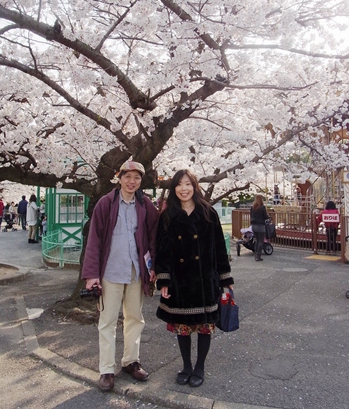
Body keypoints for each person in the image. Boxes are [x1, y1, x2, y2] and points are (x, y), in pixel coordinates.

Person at [82, 160, 159, 392]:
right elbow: (94, 239)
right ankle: (106, 369)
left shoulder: (145, 204)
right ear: (119, 178)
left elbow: (155, 235)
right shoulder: (106, 203)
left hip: (136, 270)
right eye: (128, 177)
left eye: (136, 178)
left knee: (135, 318)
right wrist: (91, 274)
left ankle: (130, 361)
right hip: (111, 271)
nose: (132, 181)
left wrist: (154, 264)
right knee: (107, 321)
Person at [154, 169, 234, 388]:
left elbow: (219, 248)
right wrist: (164, 281)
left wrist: (225, 279)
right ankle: (186, 365)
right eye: (179, 184)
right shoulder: (167, 216)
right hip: (179, 281)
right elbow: (161, 252)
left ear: (194, 186)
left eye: (188, 184)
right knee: (183, 326)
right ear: (174, 189)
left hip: (205, 279)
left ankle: (200, 366)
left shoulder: (208, 213)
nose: (184, 189)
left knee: (204, 326)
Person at [250, 194, 269, 262]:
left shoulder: (252, 207)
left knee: (257, 240)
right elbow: (266, 217)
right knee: (261, 241)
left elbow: (251, 216)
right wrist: (268, 217)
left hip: (254, 226)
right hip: (260, 226)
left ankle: (256, 254)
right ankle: (258, 256)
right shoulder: (262, 207)